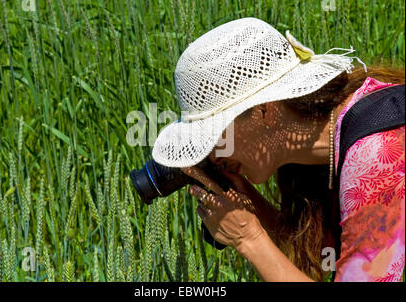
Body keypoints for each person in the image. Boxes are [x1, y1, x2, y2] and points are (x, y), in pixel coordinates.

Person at [151, 18, 405, 281]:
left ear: (264, 110)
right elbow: (326, 257)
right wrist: (246, 199)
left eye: (215, 136)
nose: (214, 155)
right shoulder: (336, 136)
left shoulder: (376, 153)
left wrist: (249, 239)